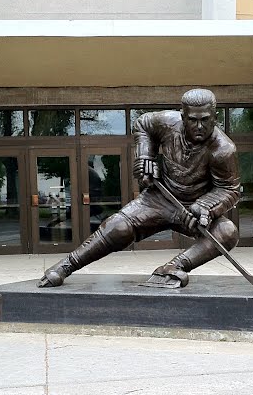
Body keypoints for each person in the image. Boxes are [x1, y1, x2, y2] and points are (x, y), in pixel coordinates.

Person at [39, 88, 241, 288]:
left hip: (191, 210)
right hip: (158, 198)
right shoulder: (167, 122)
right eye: (193, 120)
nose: (199, 126)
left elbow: (230, 189)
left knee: (227, 232)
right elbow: (142, 124)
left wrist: (204, 206)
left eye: (205, 120)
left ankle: (173, 268)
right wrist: (145, 156)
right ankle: (65, 266)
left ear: (215, 117)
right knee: (118, 227)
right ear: (183, 116)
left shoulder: (223, 150)